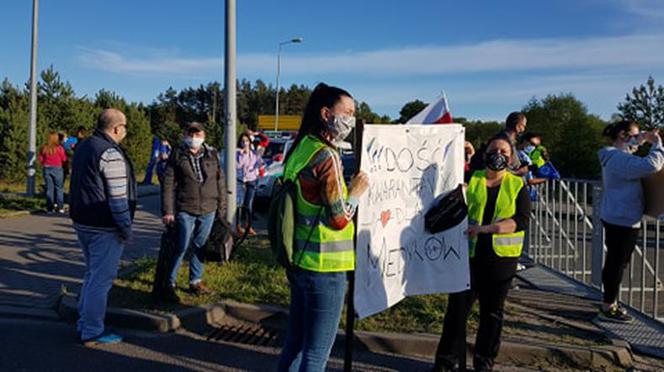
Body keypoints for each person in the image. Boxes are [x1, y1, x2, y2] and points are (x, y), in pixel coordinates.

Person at [277, 83, 369, 372]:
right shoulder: (327, 156)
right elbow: (339, 218)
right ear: (327, 114)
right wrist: (355, 191)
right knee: (316, 354)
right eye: (348, 112)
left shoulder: (301, 147)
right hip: (326, 269)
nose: (351, 119)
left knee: (296, 343)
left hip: (300, 262)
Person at [434, 136, 531, 371]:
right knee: (457, 311)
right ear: (485, 153)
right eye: (494, 149)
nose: (498, 153)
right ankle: (446, 362)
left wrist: (488, 229)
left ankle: (484, 362)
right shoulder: (472, 179)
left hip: (501, 261)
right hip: (468, 257)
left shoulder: (517, 185)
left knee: (492, 314)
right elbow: (450, 198)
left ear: (511, 157)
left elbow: (521, 220)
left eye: (504, 151)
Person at [69, 109, 136, 346]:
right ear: (117, 128)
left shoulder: (85, 145)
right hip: (104, 226)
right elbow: (118, 200)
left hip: (82, 221)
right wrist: (126, 228)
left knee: (90, 275)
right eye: (125, 127)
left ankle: (83, 322)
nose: (126, 131)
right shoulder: (110, 153)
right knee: (101, 280)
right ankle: (92, 330)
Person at [597, 120, 664, 323]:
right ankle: (608, 306)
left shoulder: (617, 157)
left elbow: (638, 163)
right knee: (617, 263)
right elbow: (652, 164)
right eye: (634, 136)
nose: (638, 141)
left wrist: (642, 139)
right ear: (623, 136)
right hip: (623, 217)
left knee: (616, 262)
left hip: (618, 214)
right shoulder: (617, 158)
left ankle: (609, 301)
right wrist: (657, 143)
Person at [159, 122, 227, 303]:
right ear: (185, 135)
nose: (194, 138)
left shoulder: (212, 154)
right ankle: (169, 282)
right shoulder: (177, 154)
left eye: (198, 134)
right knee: (181, 245)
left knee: (200, 245)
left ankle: (195, 281)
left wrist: (222, 207)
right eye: (191, 134)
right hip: (185, 208)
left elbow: (220, 182)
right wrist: (168, 210)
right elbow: (168, 184)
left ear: (204, 135)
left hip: (209, 208)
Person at [236, 131, 262, 236]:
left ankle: (248, 225)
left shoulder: (254, 153)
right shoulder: (237, 153)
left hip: (252, 179)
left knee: (249, 204)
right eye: (242, 141)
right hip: (240, 180)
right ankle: (237, 226)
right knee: (239, 203)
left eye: (246, 141)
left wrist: (257, 134)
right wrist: (242, 154)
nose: (244, 143)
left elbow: (259, 163)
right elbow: (237, 166)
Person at [38, 132, 68, 214]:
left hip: (47, 168)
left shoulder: (44, 147)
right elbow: (64, 159)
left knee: (49, 189)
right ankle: (60, 207)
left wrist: (44, 163)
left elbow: (40, 158)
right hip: (57, 168)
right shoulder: (59, 148)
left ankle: (49, 208)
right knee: (59, 188)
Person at [495, 111, 529, 176]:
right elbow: (497, 166)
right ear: (517, 126)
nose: (524, 129)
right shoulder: (502, 142)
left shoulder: (509, 141)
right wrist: (518, 172)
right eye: (523, 126)